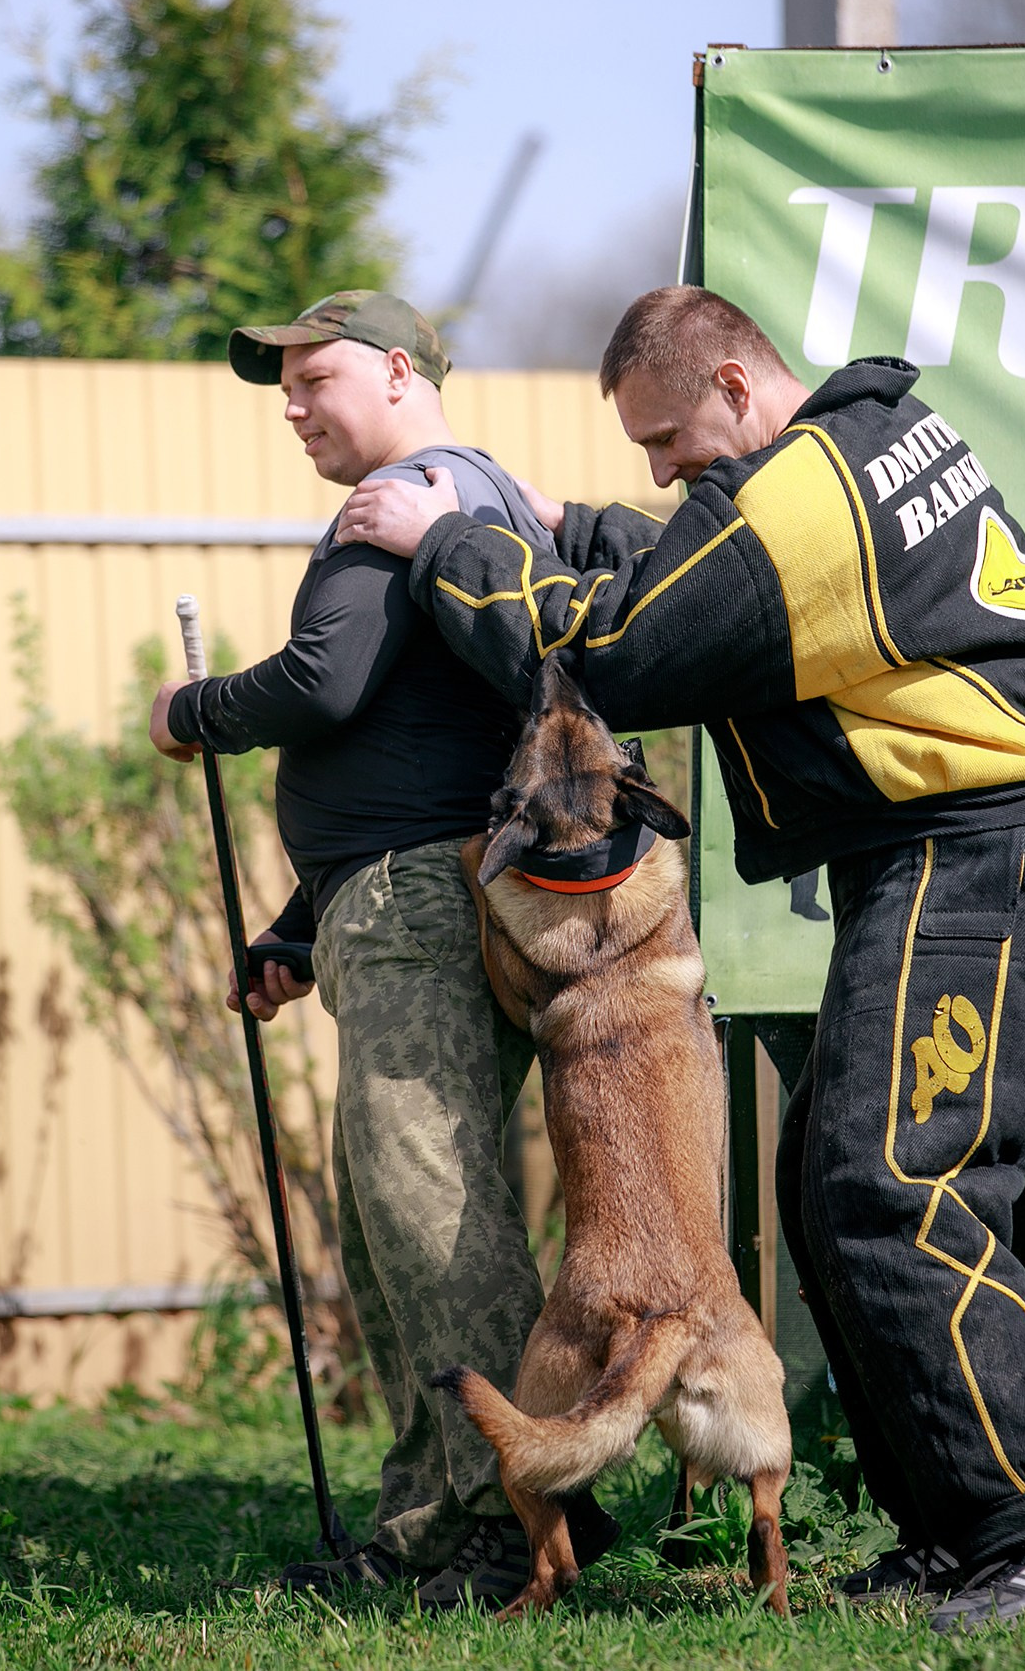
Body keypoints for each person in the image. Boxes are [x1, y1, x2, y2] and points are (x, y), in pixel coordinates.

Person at [335, 286, 1025, 1632]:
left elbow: (621, 647)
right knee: (826, 1180)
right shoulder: (852, 452)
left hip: (991, 854)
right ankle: (953, 1535)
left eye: (664, 439)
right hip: (966, 853)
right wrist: (568, 523)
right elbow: (686, 561)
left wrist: (456, 546)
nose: (657, 470)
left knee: (892, 1179)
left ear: (732, 386)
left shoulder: (808, 493)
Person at [147, 290, 614, 1610]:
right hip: (412, 890)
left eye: (316, 378)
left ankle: (501, 1522)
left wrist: (195, 709)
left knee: (430, 1211)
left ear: (400, 369)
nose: (293, 406)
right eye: (280, 387)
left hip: (416, 905)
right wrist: (300, 925)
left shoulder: (397, 505)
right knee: (399, 1216)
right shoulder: (476, 507)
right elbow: (425, 746)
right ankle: (438, 1513)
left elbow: (324, 682)